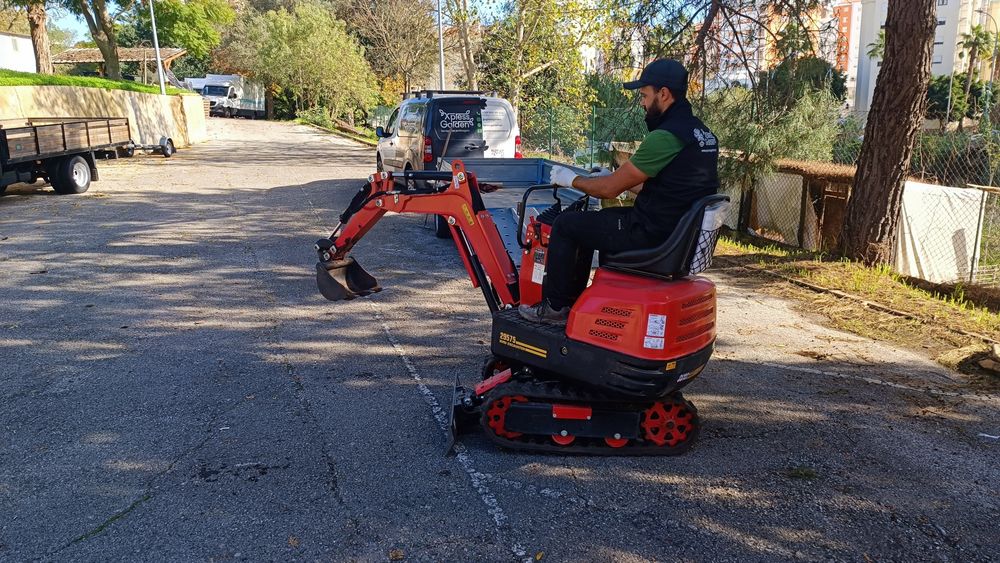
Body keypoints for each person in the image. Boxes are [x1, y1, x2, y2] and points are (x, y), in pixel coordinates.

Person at [518, 59, 720, 325]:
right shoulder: (702, 135)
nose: (642, 103)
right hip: (673, 230)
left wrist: (571, 180)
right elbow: (670, 187)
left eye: (644, 96)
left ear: (664, 94)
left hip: (650, 232)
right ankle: (575, 304)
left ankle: (556, 307)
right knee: (590, 225)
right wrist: (610, 177)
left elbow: (609, 190)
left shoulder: (665, 137)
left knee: (566, 225)